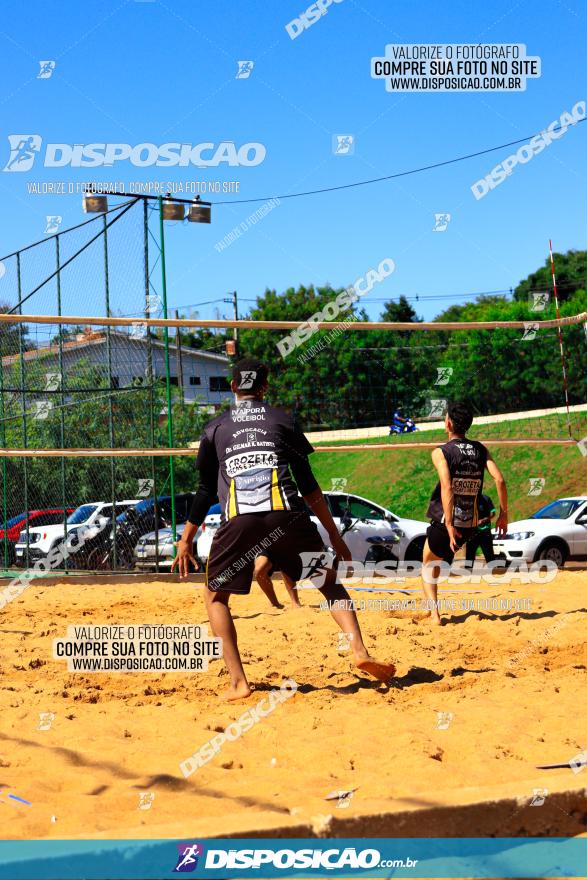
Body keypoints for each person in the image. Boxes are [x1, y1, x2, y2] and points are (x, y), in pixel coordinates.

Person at [172, 357, 395, 700]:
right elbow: (308, 485)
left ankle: (238, 683)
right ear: (265, 387)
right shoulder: (282, 420)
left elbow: (204, 492)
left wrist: (186, 540)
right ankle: (360, 651)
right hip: (287, 514)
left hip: (241, 520)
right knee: (328, 583)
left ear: (233, 387)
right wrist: (335, 536)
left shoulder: (215, 429)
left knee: (215, 597)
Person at [421, 402, 508, 625]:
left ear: (448, 423)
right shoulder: (480, 449)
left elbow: (447, 486)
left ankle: (435, 615)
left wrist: (449, 524)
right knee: (434, 560)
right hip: (472, 525)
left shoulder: (441, 452)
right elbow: (499, 480)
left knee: (427, 564)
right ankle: (429, 608)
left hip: (447, 523)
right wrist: (504, 513)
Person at [465, 494, 496, 566]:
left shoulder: (486, 498)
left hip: (485, 531)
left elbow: (493, 513)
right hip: (471, 532)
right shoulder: (468, 499)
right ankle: (468, 574)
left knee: (489, 555)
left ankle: (493, 574)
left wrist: (484, 520)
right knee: (469, 556)